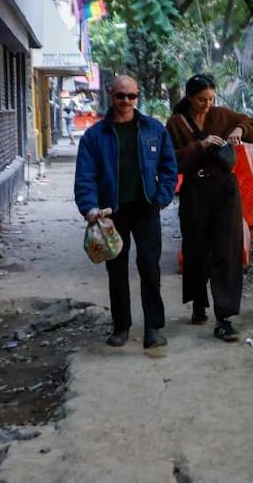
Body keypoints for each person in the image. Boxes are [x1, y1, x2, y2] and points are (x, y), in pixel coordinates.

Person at [74, 75, 178, 349]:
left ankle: (153, 328)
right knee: (116, 270)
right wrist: (90, 207)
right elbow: (85, 177)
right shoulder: (95, 137)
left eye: (131, 96)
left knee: (149, 268)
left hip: (146, 208)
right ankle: (121, 326)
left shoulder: (153, 129)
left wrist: (162, 197)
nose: (126, 102)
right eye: (121, 96)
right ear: (111, 94)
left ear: (138, 96)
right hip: (111, 213)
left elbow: (169, 167)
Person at [166, 74, 253, 342]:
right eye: (201, 100)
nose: (207, 104)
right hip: (195, 191)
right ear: (189, 97)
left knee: (227, 249)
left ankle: (225, 317)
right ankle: (199, 303)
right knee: (196, 248)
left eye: (211, 99)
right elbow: (170, 160)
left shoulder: (222, 115)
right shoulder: (176, 123)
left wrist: (240, 130)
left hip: (225, 191)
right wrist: (199, 146)